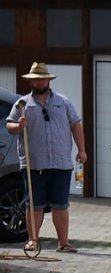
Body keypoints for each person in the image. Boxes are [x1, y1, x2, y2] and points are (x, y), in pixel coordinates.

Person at [5, 62, 87, 253]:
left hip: (60, 164)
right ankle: (33, 240)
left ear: (48, 80)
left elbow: (76, 125)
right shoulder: (22, 104)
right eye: (36, 79)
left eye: (43, 79)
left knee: (60, 205)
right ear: (31, 82)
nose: (40, 82)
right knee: (34, 204)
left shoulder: (63, 102)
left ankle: (63, 243)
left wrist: (81, 150)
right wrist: (18, 126)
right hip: (33, 164)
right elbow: (9, 126)